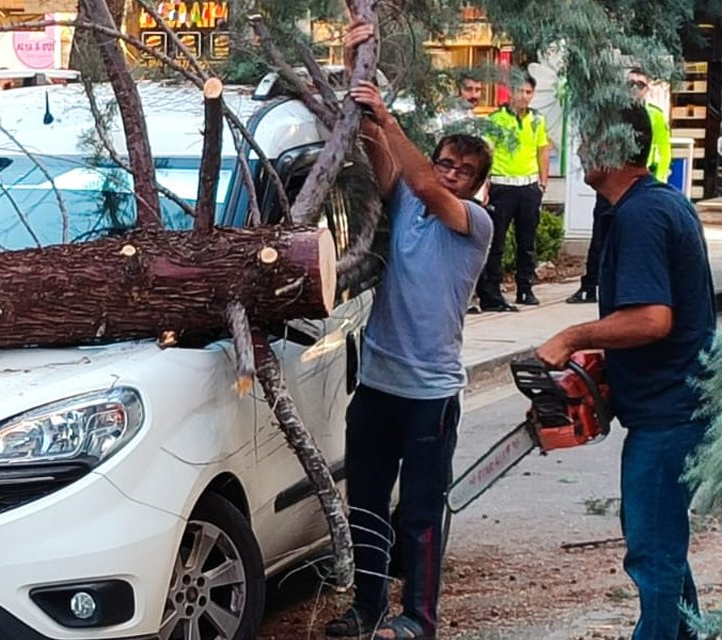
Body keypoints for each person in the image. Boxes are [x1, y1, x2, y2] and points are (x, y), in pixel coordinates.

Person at [324, 19, 494, 640]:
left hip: (430, 395)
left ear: (477, 185)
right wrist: (356, 72)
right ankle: (366, 609)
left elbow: (417, 175)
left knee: (420, 512)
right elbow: (378, 150)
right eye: (445, 162)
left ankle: (418, 618)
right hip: (378, 384)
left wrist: (392, 120)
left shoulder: (471, 222)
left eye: (461, 170)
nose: (448, 173)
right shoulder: (409, 205)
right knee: (367, 503)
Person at [537, 103, 714, 640]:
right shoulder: (654, 205)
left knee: (653, 550)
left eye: (590, 140)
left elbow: (652, 318)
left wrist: (572, 338)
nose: (582, 151)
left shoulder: (641, 214)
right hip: (673, 404)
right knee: (661, 544)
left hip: (669, 412)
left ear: (614, 146)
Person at [567, 69, 673, 304]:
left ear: (647, 88)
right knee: (600, 236)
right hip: (614, 183)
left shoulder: (654, 116)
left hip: (638, 181)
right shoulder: (611, 114)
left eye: (640, 84)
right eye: (631, 82)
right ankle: (591, 283)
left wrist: (659, 182)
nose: (635, 88)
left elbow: (664, 151)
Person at [476, 74, 550, 312]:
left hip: (528, 187)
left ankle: (525, 289)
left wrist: (542, 183)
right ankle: (492, 292)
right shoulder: (496, 119)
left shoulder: (537, 120)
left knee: (526, 242)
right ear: (510, 92)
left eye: (528, 92)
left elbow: (543, 151)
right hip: (502, 185)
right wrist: (485, 184)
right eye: (520, 91)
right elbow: (487, 151)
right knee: (496, 241)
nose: (524, 97)